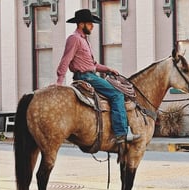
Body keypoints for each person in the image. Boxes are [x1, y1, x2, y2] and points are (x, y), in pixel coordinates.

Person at [55, 9, 140, 144]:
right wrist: (59, 82)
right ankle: (121, 133)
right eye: (90, 23)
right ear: (81, 24)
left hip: (90, 74)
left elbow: (92, 64)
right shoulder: (74, 39)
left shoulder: (85, 40)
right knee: (117, 94)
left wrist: (108, 69)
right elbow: (65, 60)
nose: (92, 26)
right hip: (86, 77)